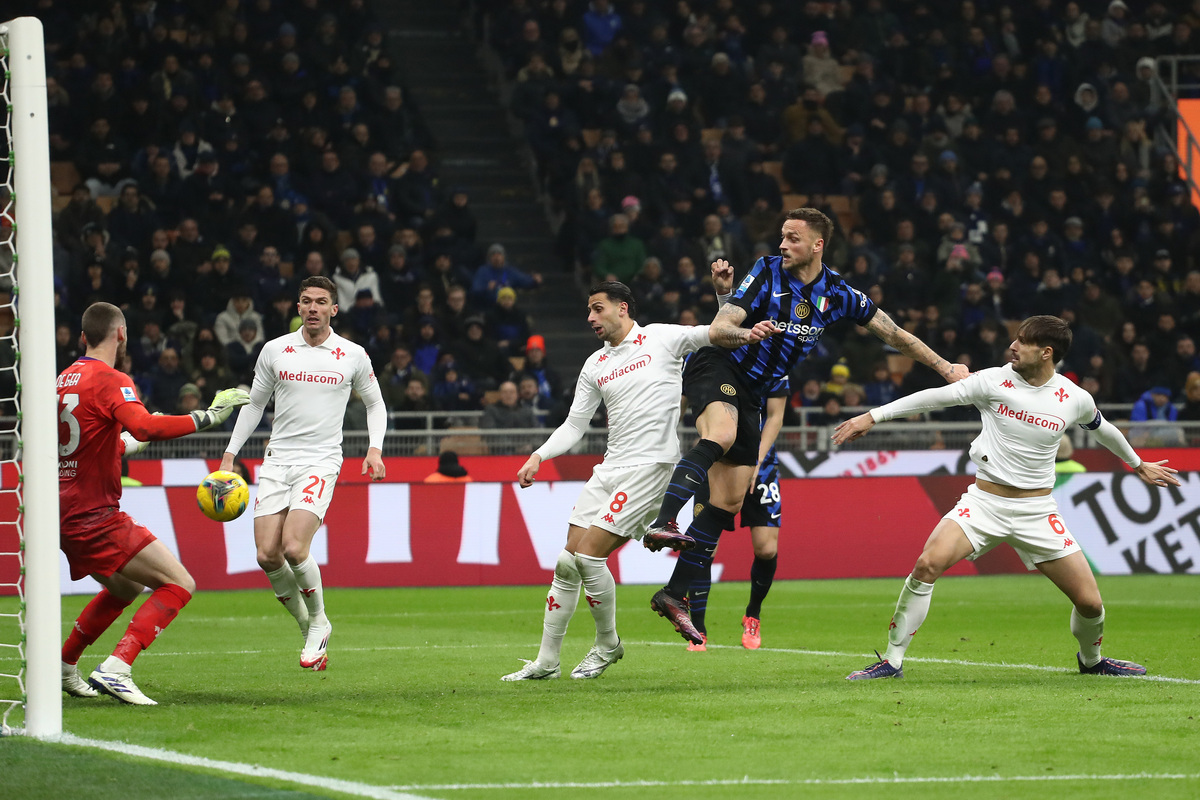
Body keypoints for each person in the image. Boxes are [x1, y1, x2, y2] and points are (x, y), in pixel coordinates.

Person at [642, 208, 968, 644]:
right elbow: (720, 329)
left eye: (793, 238)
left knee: (730, 501)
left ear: (817, 245)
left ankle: (674, 592)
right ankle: (664, 521)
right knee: (718, 435)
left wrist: (945, 366)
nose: (782, 244)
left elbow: (893, 334)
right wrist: (748, 335)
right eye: (782, 236)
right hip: (718, 366)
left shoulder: (838, 293)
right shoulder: (764, 271)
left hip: (755, 393)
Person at [833, 315, 1180, 680]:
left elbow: (1102, 428)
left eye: (1023, 341)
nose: (1012, 346)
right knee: (926, 565)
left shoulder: (1074, 398)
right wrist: (872, 416)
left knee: (1091, 603)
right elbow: (936, 397)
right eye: (1015, 338)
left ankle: (1092, 661)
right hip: (984, 503)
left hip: (1037, 510)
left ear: (1046, 353)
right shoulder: (993, 381)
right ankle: (891, 661)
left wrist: (1137, 464)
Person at [501, 281, 775, 681]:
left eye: (598, 309)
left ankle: (608, 644)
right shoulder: (595, 364)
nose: (591, 318)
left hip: (651, 467)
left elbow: (715, 334)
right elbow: (575, 424)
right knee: (566, 561)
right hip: (610, 467)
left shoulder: (662, 338)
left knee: (590, 555)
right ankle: (547, 661)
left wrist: (743, 325)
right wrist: (540, 455)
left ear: (623, 308)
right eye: (589, 311)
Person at [58, 302, 249, 705]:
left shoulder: (62, 380)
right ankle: (117, 668)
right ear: (121, 335)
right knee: (180, 582)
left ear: (82, 336)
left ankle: (63, 664)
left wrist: (125, 444)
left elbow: (81, 444)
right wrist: (207, 417)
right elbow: (144, 423)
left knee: (125, 587)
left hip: (60, 513)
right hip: (94, 515)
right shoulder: (110, 378)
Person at [220, 276, 387, 671]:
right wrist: (230, 455)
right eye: (306, 301)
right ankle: (308, 622)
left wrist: (374, 450)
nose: (313, 308)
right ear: (298, 308)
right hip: (277, 460)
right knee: (266, 555)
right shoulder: (275, 351)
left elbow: (375, 404)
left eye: (321, 302)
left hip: (320, 461)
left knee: (295, 548)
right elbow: (253, 405)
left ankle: (320, 621)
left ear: (334, 309)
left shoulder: (352, 355)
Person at [687, 377, 788, 651]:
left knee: (766, 549)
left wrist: (756, 460)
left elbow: (775, 416)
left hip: (762, 465)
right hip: (716, 460)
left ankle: (752, 614)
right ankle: (697, 629)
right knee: (704, 547)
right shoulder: (712, 358)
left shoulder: (775, 363)